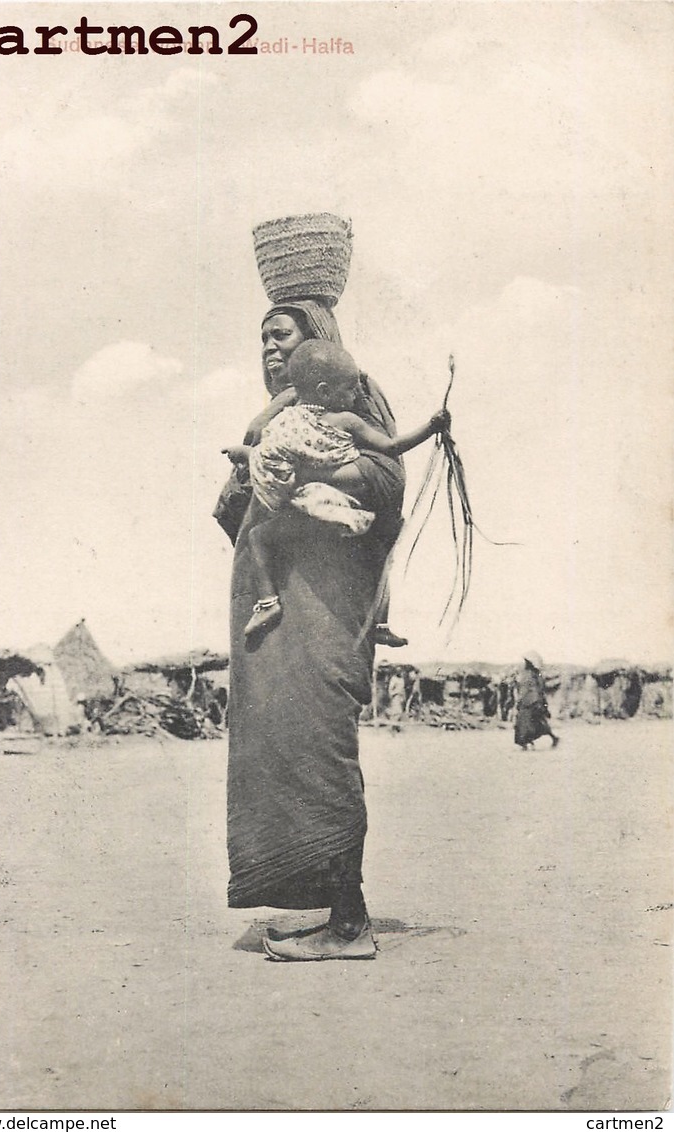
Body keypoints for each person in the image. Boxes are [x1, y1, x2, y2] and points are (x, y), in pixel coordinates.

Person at [214, 299, 420, 961]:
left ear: (318, 340)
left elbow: (383, 479)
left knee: (322, 753)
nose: (270, 350)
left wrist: (294, 469)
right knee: (287, 754)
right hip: (284, 618)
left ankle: (350, 926)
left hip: (326, 614)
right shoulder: (284, 418)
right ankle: (336, 911)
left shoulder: (352, 399)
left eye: (282, 336)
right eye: (262, 340)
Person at [222, 339, 450, 639]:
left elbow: (270, 456)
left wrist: (245, 454)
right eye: (351, 388)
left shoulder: (288, 422)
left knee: (258, 537)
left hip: (307, 510)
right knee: (379, 556)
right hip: (340, 511)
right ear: (325, 392)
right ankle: (379, 623)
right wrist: (431, 426)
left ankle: (268, 603)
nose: (357, 394)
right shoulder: (348, 421)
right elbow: (393, 446)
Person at [514, 651, 560, 750]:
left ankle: (527, 743)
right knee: (529, 723)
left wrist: (536, 702)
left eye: (527, 662)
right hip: (528, 701)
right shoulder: (528, 674)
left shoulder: (533, 675)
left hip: (532, 702)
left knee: (530, 723)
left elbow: (535, 689)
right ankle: (528, 742)